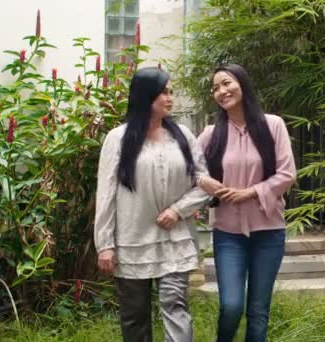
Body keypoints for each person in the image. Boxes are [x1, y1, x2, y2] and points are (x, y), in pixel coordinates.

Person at [94, 67, 209, 342]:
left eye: (171, 92)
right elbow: (106, 193)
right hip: (131, 241)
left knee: (176, 308)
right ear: (146, 96)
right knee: (134, 316)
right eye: (164, 92)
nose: (170, 98)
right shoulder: (118, 138)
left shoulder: (183, 135)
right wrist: (105, 244)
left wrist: (177, 210)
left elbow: (202, 182)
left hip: (174, 239)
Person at [196, 64, 297, 342]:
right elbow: (188, 168)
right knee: (231, 306)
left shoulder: (273, 125)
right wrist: (204, 181)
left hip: (269, 231)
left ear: (242, 83)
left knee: (258, 311)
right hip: (228, 234)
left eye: (226, 83)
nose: (221, 91)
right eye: (215, 88)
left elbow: (287, 174)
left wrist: (250, 192)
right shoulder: (210, 134)